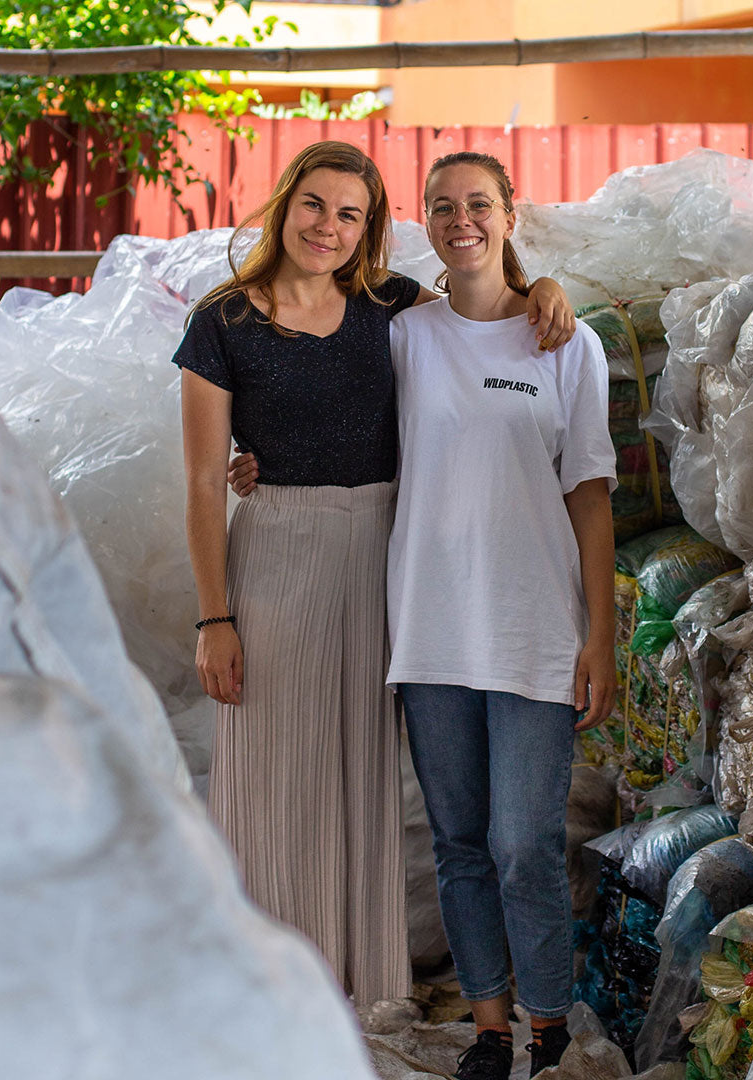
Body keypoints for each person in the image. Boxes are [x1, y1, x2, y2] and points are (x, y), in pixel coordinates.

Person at [173, 140, 574, 1007]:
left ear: (371, 230)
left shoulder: (391, 305)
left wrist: (542, 285)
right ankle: (266, 992)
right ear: (286, 205)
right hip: (277, 552)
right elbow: (207, 479)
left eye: (351, 214)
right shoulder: (222, 323)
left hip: (391, 553)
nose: (329, 226)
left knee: (360, 773)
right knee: (272, 772)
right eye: (315, 205)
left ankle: (353, 989)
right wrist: (215, 616)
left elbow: (487, 320)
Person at [386, 151, 617, 1079]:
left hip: (533, 631)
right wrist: (253, 461)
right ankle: (487, 1028)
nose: (460, 220)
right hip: (430, 629)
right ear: (425, 222)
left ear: (511, 214)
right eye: (442, 206)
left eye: (478, 203)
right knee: (461, 843)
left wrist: (599, 634)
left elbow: (590, 495)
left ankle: (549, 1024)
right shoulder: (404, 335)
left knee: (524, 843)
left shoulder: (565, 342)